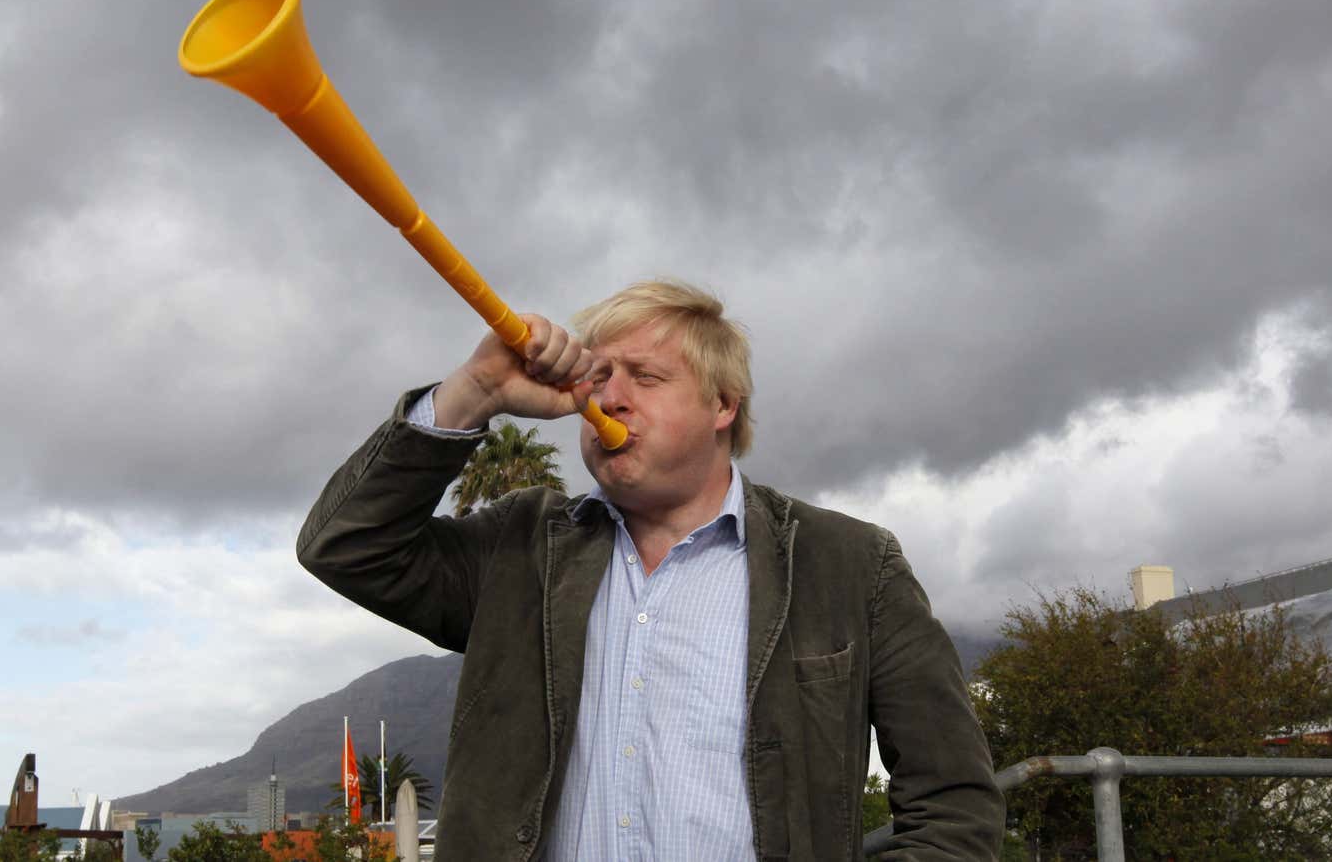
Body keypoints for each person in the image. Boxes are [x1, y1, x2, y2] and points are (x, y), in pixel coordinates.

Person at [299, 280, 1003, 860]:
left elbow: (954, 810)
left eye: (647, 377)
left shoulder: (850, 565)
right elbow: (345, 545)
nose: (609, 397)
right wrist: (476, 389)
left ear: (723, 405)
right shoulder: (520, 548)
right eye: (596, 377)